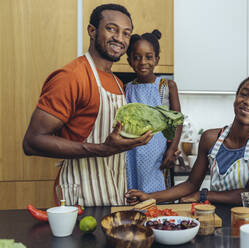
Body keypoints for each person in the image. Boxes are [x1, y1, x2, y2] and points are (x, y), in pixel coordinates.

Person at [22, 4, 152, 207]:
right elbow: (32, 142)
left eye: (126, 33)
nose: (120, 38)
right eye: (111, 29)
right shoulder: (71, 77)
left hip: (114, 192)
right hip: (80, 194)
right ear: (92, 31)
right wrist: (102, 149)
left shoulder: (118, 83)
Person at [125, 74, 249, 205]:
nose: (248, 101)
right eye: (244, 94)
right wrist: (150, 197)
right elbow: (191, 184)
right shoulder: (210, 138)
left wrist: (204, 195)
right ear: (236, 98)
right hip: (216, 215)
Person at [125, 29, 182, 193]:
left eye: (148, 57)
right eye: (137, 57)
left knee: (158, 198)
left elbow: (177, 121)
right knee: (133, 194)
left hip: (159, 156)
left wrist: (172, 150)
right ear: (129, 60)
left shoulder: (167, 86)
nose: (143, 62)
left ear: (156, 59)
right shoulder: (126, 89)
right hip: (131, 154)